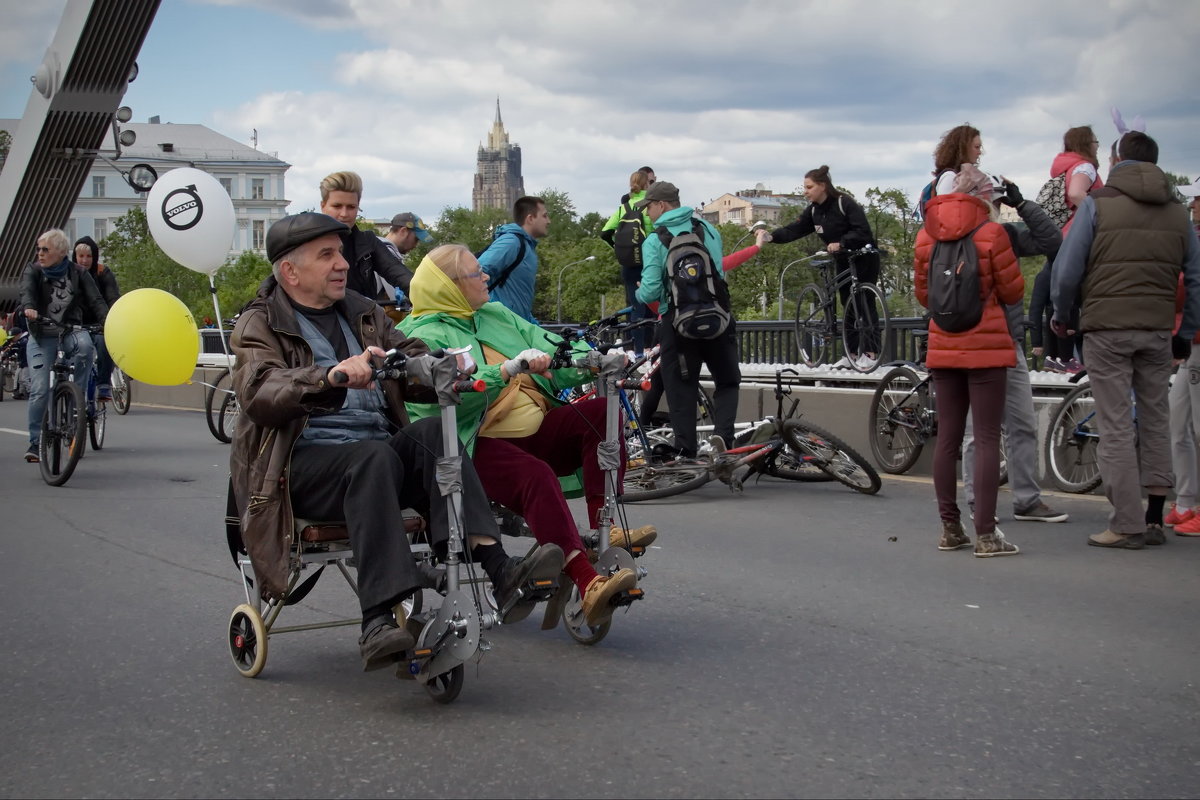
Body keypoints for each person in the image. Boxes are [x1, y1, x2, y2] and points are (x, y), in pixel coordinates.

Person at [229, 212, 564, 671]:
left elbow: (410, 356)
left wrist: (443, 367)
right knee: (372, 458)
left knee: (435, 435)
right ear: (290, 271)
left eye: (341, 253)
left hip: (373, 460)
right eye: (326, 255)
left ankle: (500, 570)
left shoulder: (362, 311)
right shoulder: (259, 323)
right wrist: (330, 375)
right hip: (299, 467)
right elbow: (260, 390)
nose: (341, 264)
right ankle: (376, 621)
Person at [399, 244, 645, 628]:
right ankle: (585, 580)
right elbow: (440, 402)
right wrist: (508, 370)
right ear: (449, 286)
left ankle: (606, 527)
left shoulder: (494, 313)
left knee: (600, 415)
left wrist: (595, 359)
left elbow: (548, 344)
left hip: (532, 427)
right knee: (535, 476)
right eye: (474, 273)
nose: (485, 278)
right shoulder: (418, 335)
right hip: (471, 443)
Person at [1052, 131, 1200, 549]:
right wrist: (1184, 333)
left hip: (1107, 328)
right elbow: (1196, 278)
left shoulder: (1099, 204)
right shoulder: (1178, 213)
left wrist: (1063, 316)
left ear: (1118, 160)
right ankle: (1154, 518)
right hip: (1156, 332)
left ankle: (1125, 524)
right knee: (1156, 421)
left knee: (1116, 426)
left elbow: (1067, 269)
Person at [914, 165, 1025, 557]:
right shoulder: (993, 233)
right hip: (987, 345)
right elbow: (1013, 293)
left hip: (943, 346)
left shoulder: (926, 235)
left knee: (947, 438)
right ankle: (986, 535)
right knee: (987, 438)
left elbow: (925, 297)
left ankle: (949, 528)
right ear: (983, 198)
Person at [959, 178, 1068, 524]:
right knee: (978, 430)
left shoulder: (1003, 234)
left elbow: (1053, 241)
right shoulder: (953, 237)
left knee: (1020, 424)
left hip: (1007, 341)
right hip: (975, 342)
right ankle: (977, 501)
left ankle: (1026, 499)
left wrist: (1024, 206)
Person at [636, 181, 739, 459]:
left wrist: (638, 289)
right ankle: (722, 437)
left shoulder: (654, 240)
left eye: (649, 207)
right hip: (718, 318)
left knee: (681, 389)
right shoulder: (708, 230)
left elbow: (649, 291)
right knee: (728, 382)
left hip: (678, 325)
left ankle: (686, 451)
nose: (648, 213)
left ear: (662, 205)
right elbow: (718, 272)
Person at [763, 165, 880, 368]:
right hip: (842, 260)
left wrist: (842, 242)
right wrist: (772, 237)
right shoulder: (815, 210)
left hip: (863, 256)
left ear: (822, 186)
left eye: (809, 187)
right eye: (804, 187)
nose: (805, 191)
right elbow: (795, 229)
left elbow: (863, 231)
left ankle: (871, 354)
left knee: (864, 303)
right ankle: (851, 354)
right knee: (848, 304)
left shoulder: (845, 203)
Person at [19, 229, 108, 463]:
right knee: (39, 389)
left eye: (45, 249)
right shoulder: (34, 271)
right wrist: (29, 309)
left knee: (87, 347)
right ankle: (35, 442)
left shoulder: (78, 273)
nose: (40, 253)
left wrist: (108, 321)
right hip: (41, 335)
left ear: (60, 252)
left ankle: (75, 398)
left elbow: (96, 300)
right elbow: (26, 292)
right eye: (38, 249)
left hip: (69, 331)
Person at [317, 170, 415, 304]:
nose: (344, 213)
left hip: (360, 320)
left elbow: (400, 275)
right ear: (323, 206)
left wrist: (435, 299)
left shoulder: (368, 242)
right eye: (337, 206)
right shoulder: (305, 243)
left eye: (351, 207)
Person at [601, 170, 654, 353]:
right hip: (649, 263)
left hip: (629, 265)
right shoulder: (651, 204)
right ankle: (652, 350)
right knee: (655, 309)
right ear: (647, 183)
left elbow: (605, 233)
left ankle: (637, 351)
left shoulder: (624, 207)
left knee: (636, 310)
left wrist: (619, 250)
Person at [478, 196, 548, 323]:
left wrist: (533, 326)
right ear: (530, 218)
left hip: (514, 327)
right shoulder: (511, 242)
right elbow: (475, 272)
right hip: (501, 328)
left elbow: (518, 301)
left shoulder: (526, 246)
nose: (548, 221)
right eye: (544, 216)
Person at [73, 236, 119, 400]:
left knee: (103, 342)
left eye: (89, 256)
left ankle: (104, 384)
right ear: (74, 256)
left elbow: (112, 298)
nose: (85, 260)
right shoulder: (68, 274)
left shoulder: (103, 272)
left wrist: (110, 320)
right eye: (81, 256)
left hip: (99, 324)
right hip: (75, 326)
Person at [1050, 125, 1105, 235]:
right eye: (1096, 142)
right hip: (1082, 230)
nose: (1098, 146)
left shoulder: (1068, 167)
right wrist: (1102, 215)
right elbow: (1075, 194)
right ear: (1086, 144)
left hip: (1065, 231)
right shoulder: (1085, 167)